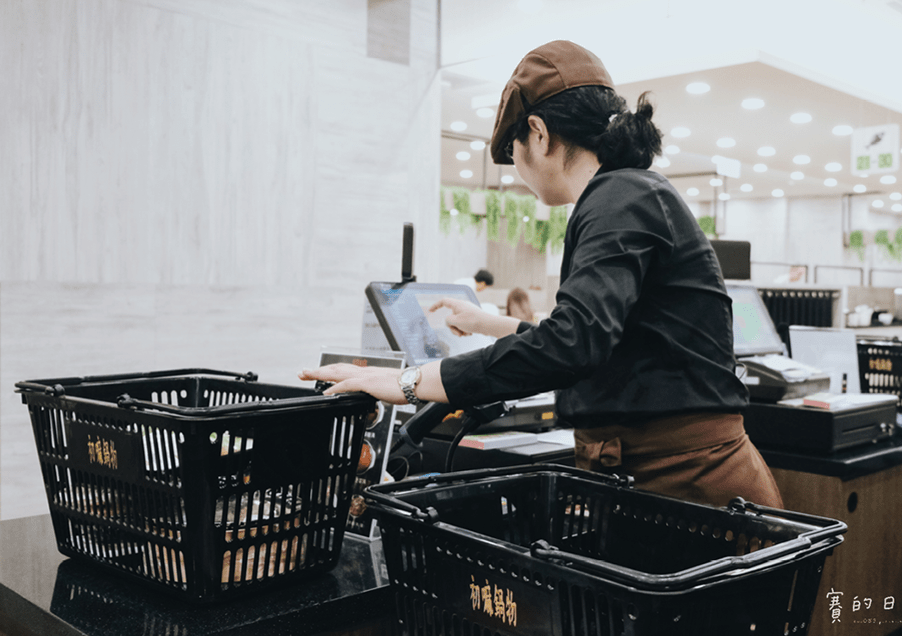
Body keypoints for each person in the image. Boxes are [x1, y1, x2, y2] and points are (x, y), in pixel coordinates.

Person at [300, 40, 782, 509]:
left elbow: (574, 343)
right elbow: (608, 340)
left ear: (538, 132)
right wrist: (491, 324)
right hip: (664, 477)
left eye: (513, 155)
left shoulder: (620, 199)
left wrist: (407, 382)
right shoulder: (628, 194)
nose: (518, 174)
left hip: (687, 486)